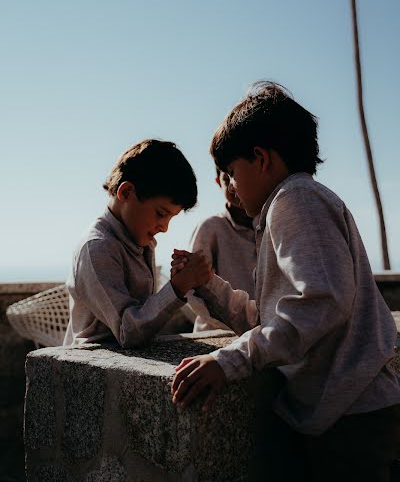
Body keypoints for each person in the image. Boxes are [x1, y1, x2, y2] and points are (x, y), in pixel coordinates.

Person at [171, 83, 400, 481]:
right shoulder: (294, 201)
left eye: (232, 173)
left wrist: (231, 358)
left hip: (351, 418)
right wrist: (211, 285)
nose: (232, 188)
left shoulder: (295, 201)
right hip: (342, 414)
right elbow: (274, 319)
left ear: (260, 159)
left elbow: (321, 302)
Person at [64, 139, 211, 348]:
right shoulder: (98, 247)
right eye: (161, 214)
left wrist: (180, 280)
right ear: (126, 193)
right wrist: (177, 288)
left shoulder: (140, 241)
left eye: (171, 218)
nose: (165, 227)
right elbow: (128, 331)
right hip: (92, 364)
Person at [187, 167, 257, 332]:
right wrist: (235, 324)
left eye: (238, 177)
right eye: (227, 179)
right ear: (219, 182)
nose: (233, 186)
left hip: (261, 334)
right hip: (217, 332)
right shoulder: (211, 228)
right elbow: (192, 289)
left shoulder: (270, 225)